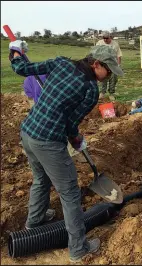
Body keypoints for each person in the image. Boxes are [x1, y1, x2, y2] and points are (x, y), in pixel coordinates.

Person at [9, 40, 123, 262]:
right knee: (70, 193)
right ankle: (79, 249)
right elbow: (71, 123)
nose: (108, 76)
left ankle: (35, 222)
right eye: (108, 71)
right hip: (48, 141)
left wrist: (15, 52)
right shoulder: (90, 91)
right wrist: (77, 138)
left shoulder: (60, 63)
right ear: (97, 64)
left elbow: (22, 69)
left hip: (28, 133)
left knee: (41, 179)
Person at [96, 31, 123, 100]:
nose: (105, 39)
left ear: (110, 37)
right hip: (103, 63)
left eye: (106, 38)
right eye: (103, 38)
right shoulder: (99, 43)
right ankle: (102, 93)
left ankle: (111, 93)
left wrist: (118, 65)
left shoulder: (115, 44)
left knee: (113, 78)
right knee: (103, 78)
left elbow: (119, 55)